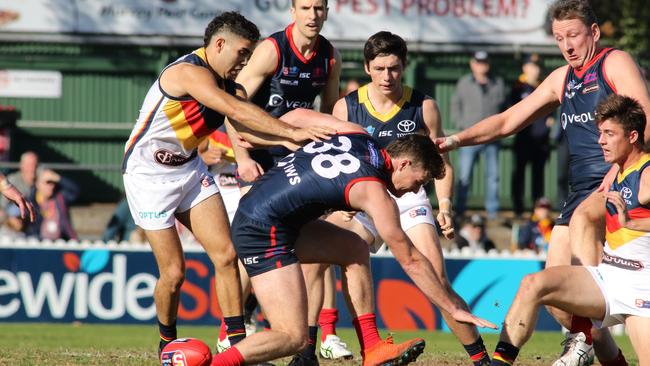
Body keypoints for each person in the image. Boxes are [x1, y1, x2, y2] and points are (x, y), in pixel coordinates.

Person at [436, 1, 650, 364]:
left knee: (584, 224)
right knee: (555, 295)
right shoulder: (562, 79)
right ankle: (589, 342)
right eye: (558, 38)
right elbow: (506, 122)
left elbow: (646, 114)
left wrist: (624, 168)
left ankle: (579, 337)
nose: (566, 45)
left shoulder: (614, 62)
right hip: (580, 190)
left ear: (593, 33)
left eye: (573, 35)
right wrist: (454, 140)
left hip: (616, 185)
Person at [210, 108, 496, 366]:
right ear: (404, 164)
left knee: (354, 248)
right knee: (292, 338)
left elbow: (297, 115)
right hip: (262, 229)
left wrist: (274, 138)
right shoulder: (373, 191)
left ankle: (372, 349)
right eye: (419, 182)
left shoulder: (357, 134)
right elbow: (410, 259)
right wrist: (451, 308)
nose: (413, 191)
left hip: (267, 213)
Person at [121, 11, 333, 358]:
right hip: (148, 176)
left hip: (188, 169)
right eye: (242, 53)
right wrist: (292, 131)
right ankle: (167, 342)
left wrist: (293, 143)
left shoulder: (228, 84)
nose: (245, 61)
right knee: (174, 274)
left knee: (227, 254)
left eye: (250, 55)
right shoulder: (188, 73)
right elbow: (232, 107)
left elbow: (246, 129)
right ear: (219, 44)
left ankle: (235, 346)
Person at [307, 31, 492, 366]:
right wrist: (336, 204)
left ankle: (481, 360)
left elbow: (442, 163)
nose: (386, 76)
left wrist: (445, 207)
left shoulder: (423, 106)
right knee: (314, 258)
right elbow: (333, 161)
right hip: (362, 202)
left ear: (404, 66)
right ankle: (311, 350)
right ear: (367, 67)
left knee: (436, 279)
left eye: (393, 68)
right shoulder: (346, 107)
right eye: (379, 68)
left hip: (408, 199)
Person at [220, 0, 346, 360]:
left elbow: (331, 114)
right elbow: (233, 104)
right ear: (292, 12)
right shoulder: (272, 50)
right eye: (305, 7)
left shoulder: (330, 57)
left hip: (299, 163)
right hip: (259, 158)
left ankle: (306, 344)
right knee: (252, 250)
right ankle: (232, 331)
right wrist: (242, 158)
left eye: (319, 8)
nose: (313, 15)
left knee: (307, 252)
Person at [488, 94, 650, 366]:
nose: (600, 141)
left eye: (609, 134)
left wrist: (632, 223)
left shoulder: (646, 174)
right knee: (533, 284)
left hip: (642, 288)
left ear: (633, 136)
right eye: (600, 133)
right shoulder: (618, 170)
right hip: (608, 278)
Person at [451, 50, 506, 220]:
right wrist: (460, 125)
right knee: (464, 175)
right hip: (469, 137)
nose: (481, 66)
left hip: (492, 137)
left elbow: (505, 107)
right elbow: (455, 105)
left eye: (484, 62)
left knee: (493, 176)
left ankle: (493, 212)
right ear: (472, 64)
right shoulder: (464, 83)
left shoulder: (498, 83)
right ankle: (459, 211)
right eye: (478, 62)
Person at [510, 55, 554, 218]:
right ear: (525, 68)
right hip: (524, 139)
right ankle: (518, 208)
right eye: (532, 66)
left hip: (541, 141)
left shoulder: (542, 86)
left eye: (537, 67)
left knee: (538, 177)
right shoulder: (518, 87)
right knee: (519, 175)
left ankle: (537, 210)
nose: (536, 70)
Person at [21, 169, 78, 241]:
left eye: (53, 182)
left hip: (61, 241)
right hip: (37, 241)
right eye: (48, 182)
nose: (51, 186)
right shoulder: (31, 202)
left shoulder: (60, 198)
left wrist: (57, 177)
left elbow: (75, 191)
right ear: (37, 183)